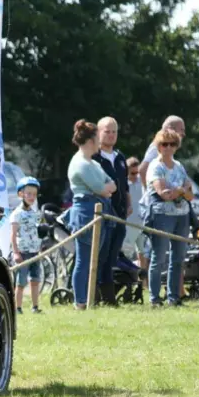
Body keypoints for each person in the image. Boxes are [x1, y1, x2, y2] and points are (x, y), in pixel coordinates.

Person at [67, 119, 116, 310]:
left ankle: (88, 298)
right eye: (97, 138)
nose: (100, 141)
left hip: (98, 210)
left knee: (93, 259)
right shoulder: (81, 164)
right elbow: (102, 188)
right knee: (84, 259)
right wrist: (105, 188)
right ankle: (80, 301)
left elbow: (111, 183)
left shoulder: (92, 164)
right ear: (90, 141)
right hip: (86, 212)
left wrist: (106, 188)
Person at [144, 129, 193, 306]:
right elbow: (163, 194)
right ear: (158, 146)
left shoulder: (179, 166)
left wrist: (178, 191)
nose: (168, 148)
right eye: (164, 144)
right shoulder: (155, 167)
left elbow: (191, 195)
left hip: (182, 216)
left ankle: (174, 297)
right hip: (161, 216)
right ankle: (154, 298)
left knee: (178, 258)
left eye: (172, 144)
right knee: (159, 257)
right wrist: (180, 190)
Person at [91, 117, 129, 306]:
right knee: (100, 254)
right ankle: (95, 294)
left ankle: (109, 295)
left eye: (114, 131)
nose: (111, 135)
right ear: (99, 133)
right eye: (107, 131)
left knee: (112, 256)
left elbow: (125, 185)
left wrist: (128, 204)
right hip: (102, 213)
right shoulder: (94, 157)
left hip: (120, 214)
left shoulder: (120, 158)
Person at [10, 177, 43, 314]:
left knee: (35, 280)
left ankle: (35, 307)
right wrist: (16, 252)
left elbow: (36, 232)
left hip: (35, 251)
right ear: (20, 194)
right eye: (28, 193)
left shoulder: (35, 213)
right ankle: (17, 307)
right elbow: (13, 235)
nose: (32, 197)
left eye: (34, 194)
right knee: (20, 282)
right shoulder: (17, 214)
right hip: (22, 252)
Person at [121, 157, 150, 286]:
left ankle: (144, 284)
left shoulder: (142, 183)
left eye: (137, 172)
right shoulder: (124, 184)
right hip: (129, 224)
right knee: (126, 253)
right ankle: (127, 280)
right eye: (133, 173)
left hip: (142, 223)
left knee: (143, 254)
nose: (136, 175)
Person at [139, 115, 185, 184]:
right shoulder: (157, 147)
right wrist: (152, 191)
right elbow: (142, 170)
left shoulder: (165, 148)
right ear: (170, 129)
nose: (183, 134)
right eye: (181, 130)